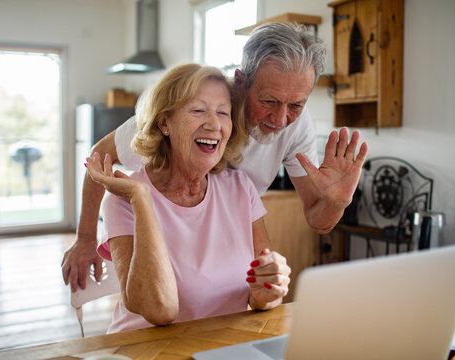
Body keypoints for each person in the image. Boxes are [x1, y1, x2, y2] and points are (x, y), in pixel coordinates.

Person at [62, 22, 368, 292]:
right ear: (241, 81)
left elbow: (318, 218)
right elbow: (100, 154)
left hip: (224, 259)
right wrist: (85, 236)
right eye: (269, 101)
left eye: (296, 105)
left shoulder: (294, 127)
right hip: (160, 244)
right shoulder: (195, 104)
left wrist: (335, 202)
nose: (280, 118)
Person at [84, 64, 291, 332]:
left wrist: (271, 288)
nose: (214, 124)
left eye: (223, 113)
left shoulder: (241, 189)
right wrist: (142, 199)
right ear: (164, 123)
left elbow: (260, 297)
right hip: (145, 351)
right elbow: (160, 310)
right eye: (197, 111)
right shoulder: (125, 198)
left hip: (219, 348)